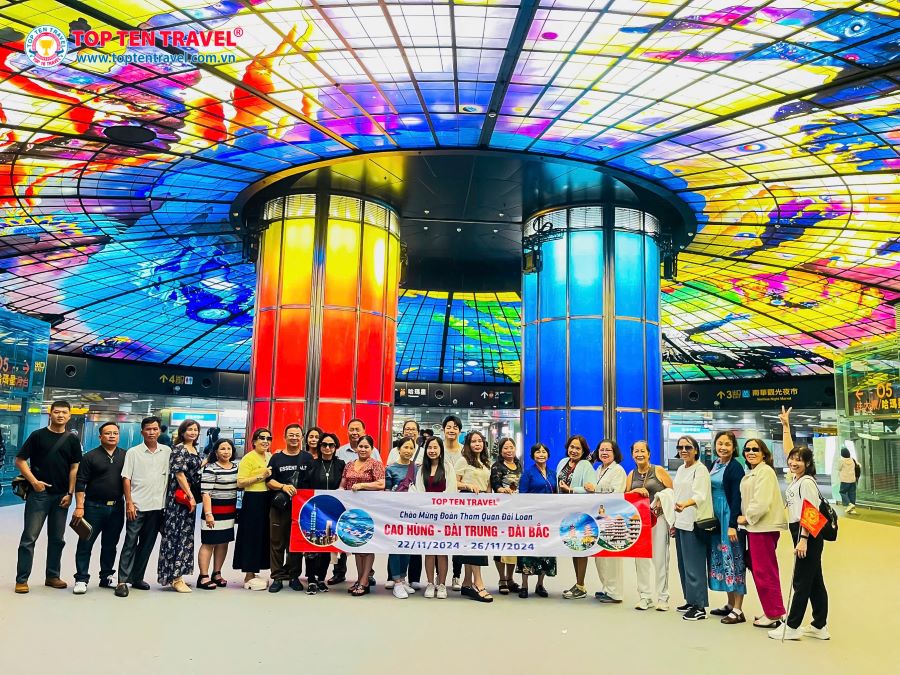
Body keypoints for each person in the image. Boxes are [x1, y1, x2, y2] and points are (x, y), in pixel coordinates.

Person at [14, 400, 82, 594]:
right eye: (57, 412)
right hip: (39, 495)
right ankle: (22, 579)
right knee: (29, 538)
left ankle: (52, 576)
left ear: (69, 416)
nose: (60, 415)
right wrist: (34, 482)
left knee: (57, 539)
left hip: (61, 496)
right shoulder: (37, 436)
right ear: (50, 413)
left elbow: (74, 468)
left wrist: (70, 493)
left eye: (64, 412)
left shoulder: (72, 439)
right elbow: (20, 460)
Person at [769, 446, 830, 641]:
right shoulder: (797, 479)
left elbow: (810, 512)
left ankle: (792, 625)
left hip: (807, 533)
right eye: (792, 459)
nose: (794, 463)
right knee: (815, 581)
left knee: (801, 580)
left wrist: (803, 539)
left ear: (808, 463)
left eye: (799, 460)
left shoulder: (807, 482)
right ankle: (819, 625)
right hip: (799, 530)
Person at [115, 416, 171, 598]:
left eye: (155, 429)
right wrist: (129, 502)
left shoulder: (167, 452)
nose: (152, 432)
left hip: (157, 507)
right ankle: (122, 581)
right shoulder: (133, 452)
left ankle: (137, 578)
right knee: (130, 543)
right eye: (148, 429)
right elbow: (126, 478)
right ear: (142, 432)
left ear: (159, 431)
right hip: (137, 506)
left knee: (147, 544)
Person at [737, 438, 787, 628]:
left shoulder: (765, 472)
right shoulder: (754, 471)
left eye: (755, 449)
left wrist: (746, 517)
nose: (751, 452)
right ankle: (771, 610)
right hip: (756, 528)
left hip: (762, 528)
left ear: (764, 453)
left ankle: (774, 613)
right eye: (747, 449)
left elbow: (761, 502)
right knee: (761, 570)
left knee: (765, 571)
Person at [71, 421, 125, 594]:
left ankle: (106, 576)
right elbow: (81, 482)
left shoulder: (125, 455)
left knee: (110, 544)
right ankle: (81, 579)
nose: (112, 436)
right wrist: (80, 506)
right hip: (93, 507)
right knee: (85, 543)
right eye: (108, 433)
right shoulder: (90, 457)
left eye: (115, 433)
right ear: (100, 436)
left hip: (117, 507)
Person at [626, 439, 674, 610]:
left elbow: (672, 490)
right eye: (636, 451)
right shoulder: (631, 474)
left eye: (642, 451)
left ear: (649, 454)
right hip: (639, 522)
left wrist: (661, 497)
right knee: (641, 560)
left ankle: (663, 597)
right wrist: (635, 490)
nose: (639, 454)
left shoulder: (658, 470)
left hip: (658, 519)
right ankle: (645, 596)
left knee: (660, 558)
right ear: (632, 455)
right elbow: (626, 496)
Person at [267, 424, 313, 593]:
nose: (294, 438)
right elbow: (269, 481)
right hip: (279, 507)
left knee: (296, 543)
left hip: (301, 508)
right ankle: (277, 577)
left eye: (297, 435)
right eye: (291, 435)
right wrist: (283, 486)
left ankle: (294, 576)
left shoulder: (307, 458)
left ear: (301, 438)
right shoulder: (276, 458)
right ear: (285, 437)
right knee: (277, 542)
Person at [157, 419, 202, 592]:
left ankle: (179, 575)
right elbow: (179, 474)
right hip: (178, 499)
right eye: (189, 429)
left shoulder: (194, 449)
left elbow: (194, 471)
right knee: (175, 536)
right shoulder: (179, 449)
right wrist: (190, 495)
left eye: (195, 429)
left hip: (187, 499)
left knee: (185, 536)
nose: (193, 432)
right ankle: (174, 577)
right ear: (182, 432)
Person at [707, 431, 747, 624]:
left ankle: (738, 609)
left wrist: (732, 525)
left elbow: (737, 497)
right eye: (720, 443)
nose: (722, 447)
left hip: (728, 515)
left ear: (733, 447)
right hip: (716, 517)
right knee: (722, 558)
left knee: (734, 558)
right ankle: (730, 604)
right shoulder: (714, 464)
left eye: (727, 444)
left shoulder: (735, 467)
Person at [673, 435, 713, 621]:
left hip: (694, 522)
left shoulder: (700, 469)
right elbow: (677, 494)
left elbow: (700, 495)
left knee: (694, 565)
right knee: (683, 565)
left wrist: (685, 504)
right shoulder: (681, 469)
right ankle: (690, 600)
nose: (683, 450)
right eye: (680, 447)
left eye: (688, 447)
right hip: (680, 522)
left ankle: (699, 606)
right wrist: (674, 521)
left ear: (696, 450)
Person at [414, 436, 458, 599]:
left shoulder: (447, 467)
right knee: (429, 551)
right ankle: (430, 583)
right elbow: (419, 492)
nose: (432, 451)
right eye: (429, 448)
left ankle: (442, 584)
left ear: (441, 450)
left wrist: (440, 506)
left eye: (435, 448)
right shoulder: (422, 470)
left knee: (441, 551)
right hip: (427, 516)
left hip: (443, 516)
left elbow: (452, 490)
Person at [341, 434, 385, 596]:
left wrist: (362, 485)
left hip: (369, 510)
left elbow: (381, 484)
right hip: (351, 511)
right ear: (356, 448)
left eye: (367, 447)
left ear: (372, 449)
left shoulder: (376, 464)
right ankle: (359, 579)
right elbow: (343, 485)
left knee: (367, 546)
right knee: (357, 546)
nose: (363, 449)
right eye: (361, 446)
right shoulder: (349, 465)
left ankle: (365, 580)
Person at [585, 439, 628, 604]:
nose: (604, 453)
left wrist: (595, 489)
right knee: (601, 556)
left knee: (612, 557)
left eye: (608, 450)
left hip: (612, 518)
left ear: (614, 452)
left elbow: (617, 493)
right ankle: (607, 588)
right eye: (601, 450)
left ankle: (615, 593)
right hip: (599, 518)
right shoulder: (598, 469)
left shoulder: (618, 470)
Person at [455, 429, 493, 603]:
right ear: (468, 444)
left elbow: (488, 485)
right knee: (473, 544)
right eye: (473, 441)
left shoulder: (486, 462)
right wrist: (468, 486)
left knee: (476, 544)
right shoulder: (463, 460)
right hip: (467, 504)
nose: (477, 444)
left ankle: (467, 582)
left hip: (483, 505)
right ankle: (478, 583)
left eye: (480, 441)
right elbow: (454, 482)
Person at [304, 432, 345, 595]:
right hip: (313, 509)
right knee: (312, 545)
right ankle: (311, 580)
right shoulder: (312, 464)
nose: (327, 448)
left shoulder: (340, 464)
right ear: (320, 446)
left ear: (335, 447)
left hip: (332, 511)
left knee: (327, 544)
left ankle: (321, 578)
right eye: (324, 445)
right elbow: (304, 486)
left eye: (331, 445)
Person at [234, 428, 273, 591]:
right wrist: (260, 476)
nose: (265, 441)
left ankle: (256, 570)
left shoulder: (270, 456)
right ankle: (248, 574)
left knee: (262, 536)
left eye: (268, 438)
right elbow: (240, 482)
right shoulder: (248, 458)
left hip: (267, 498)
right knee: (251, 535)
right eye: (262, 438)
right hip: (253, 500)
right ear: (254, 441)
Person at [516, 442, 557, 598]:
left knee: (545, 549)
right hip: (531, 518)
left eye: (544, 451)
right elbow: (522, 495)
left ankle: (540, 584)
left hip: (548, 518)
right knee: (528, 550)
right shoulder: (528, 474)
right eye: (538, 452)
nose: (541, 454)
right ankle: (524, 585)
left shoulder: (553, 474)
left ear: (548, 455)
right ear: (533, 456)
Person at [197, 438, 239, 590]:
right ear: (216, 452)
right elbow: (206, 493)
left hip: (229, 511)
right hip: (213, 511)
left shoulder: (236, 467)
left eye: (228, 449)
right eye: (222, 449)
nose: (226, 452)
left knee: (223, 542)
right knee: (209, 543)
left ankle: (217, 573)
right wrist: (208, 513)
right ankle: (203, 576)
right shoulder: (211, 468)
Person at [557, 434, 594, 599]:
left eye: (578, 448)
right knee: (573, 546)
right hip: (565, 511)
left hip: (581, 511)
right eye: (572, 447)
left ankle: (581, 585)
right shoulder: (563, 462)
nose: (574, 450)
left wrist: (571, 490)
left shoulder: (586, 465)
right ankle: (578, 584)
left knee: (581, 547)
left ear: (583, 451)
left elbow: (591, 489)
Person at [385, 437, 419, 599]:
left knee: (407, 546)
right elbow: (386, 491)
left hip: (411, 514)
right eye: (405, 447)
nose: (408, 451)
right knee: (395, 547)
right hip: (395, 513)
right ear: (398, 449)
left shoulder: (416, 468)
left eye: (411, 448)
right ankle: (396, 582)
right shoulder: (390, 469)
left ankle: (403, 578)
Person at [490, 437, 522, 594]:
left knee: (513, 545)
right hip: (502, 511)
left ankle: (510, 578)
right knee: (501, 545)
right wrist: (501, 490)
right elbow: (495, 484)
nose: (509, 450)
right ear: (501, 451)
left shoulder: (519, 465)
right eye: (506, 448)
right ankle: (502, 578)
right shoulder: (497, 466)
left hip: (517, 511)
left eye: (511, 447)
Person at [442, 414, 465, 590]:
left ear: (460, 431)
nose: (451, 430)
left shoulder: (465, 451)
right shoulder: (436, 448)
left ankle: (456, 575)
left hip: (461, 501)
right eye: (448, 427)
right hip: (440, 501)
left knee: (459, 539)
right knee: (439, 539)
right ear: (443, 430)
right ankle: (440, 575)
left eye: (455, 427)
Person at [838, 447, 860, 514]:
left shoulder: (841, 460)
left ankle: (849, 504)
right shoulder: (852, 460)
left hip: (845, 480)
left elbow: (838, 468)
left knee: (842, 492)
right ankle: (852, 509)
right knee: (852, 494)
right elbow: (858, 466)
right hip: (852, 479)